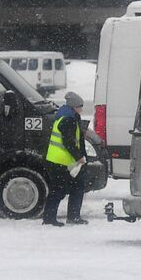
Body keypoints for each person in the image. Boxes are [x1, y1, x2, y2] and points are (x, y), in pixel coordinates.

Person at [40, 92, 89, 226]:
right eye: (80, 106)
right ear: (74, 106)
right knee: (58, 190)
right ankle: (50, 219)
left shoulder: (68, 116)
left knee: (77, 187)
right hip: (60, 160)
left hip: (64, 160)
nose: (81, 109)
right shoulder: (68, 119)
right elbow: (68, 142)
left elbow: (75, 139)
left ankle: (72, 216)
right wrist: (79, 157)